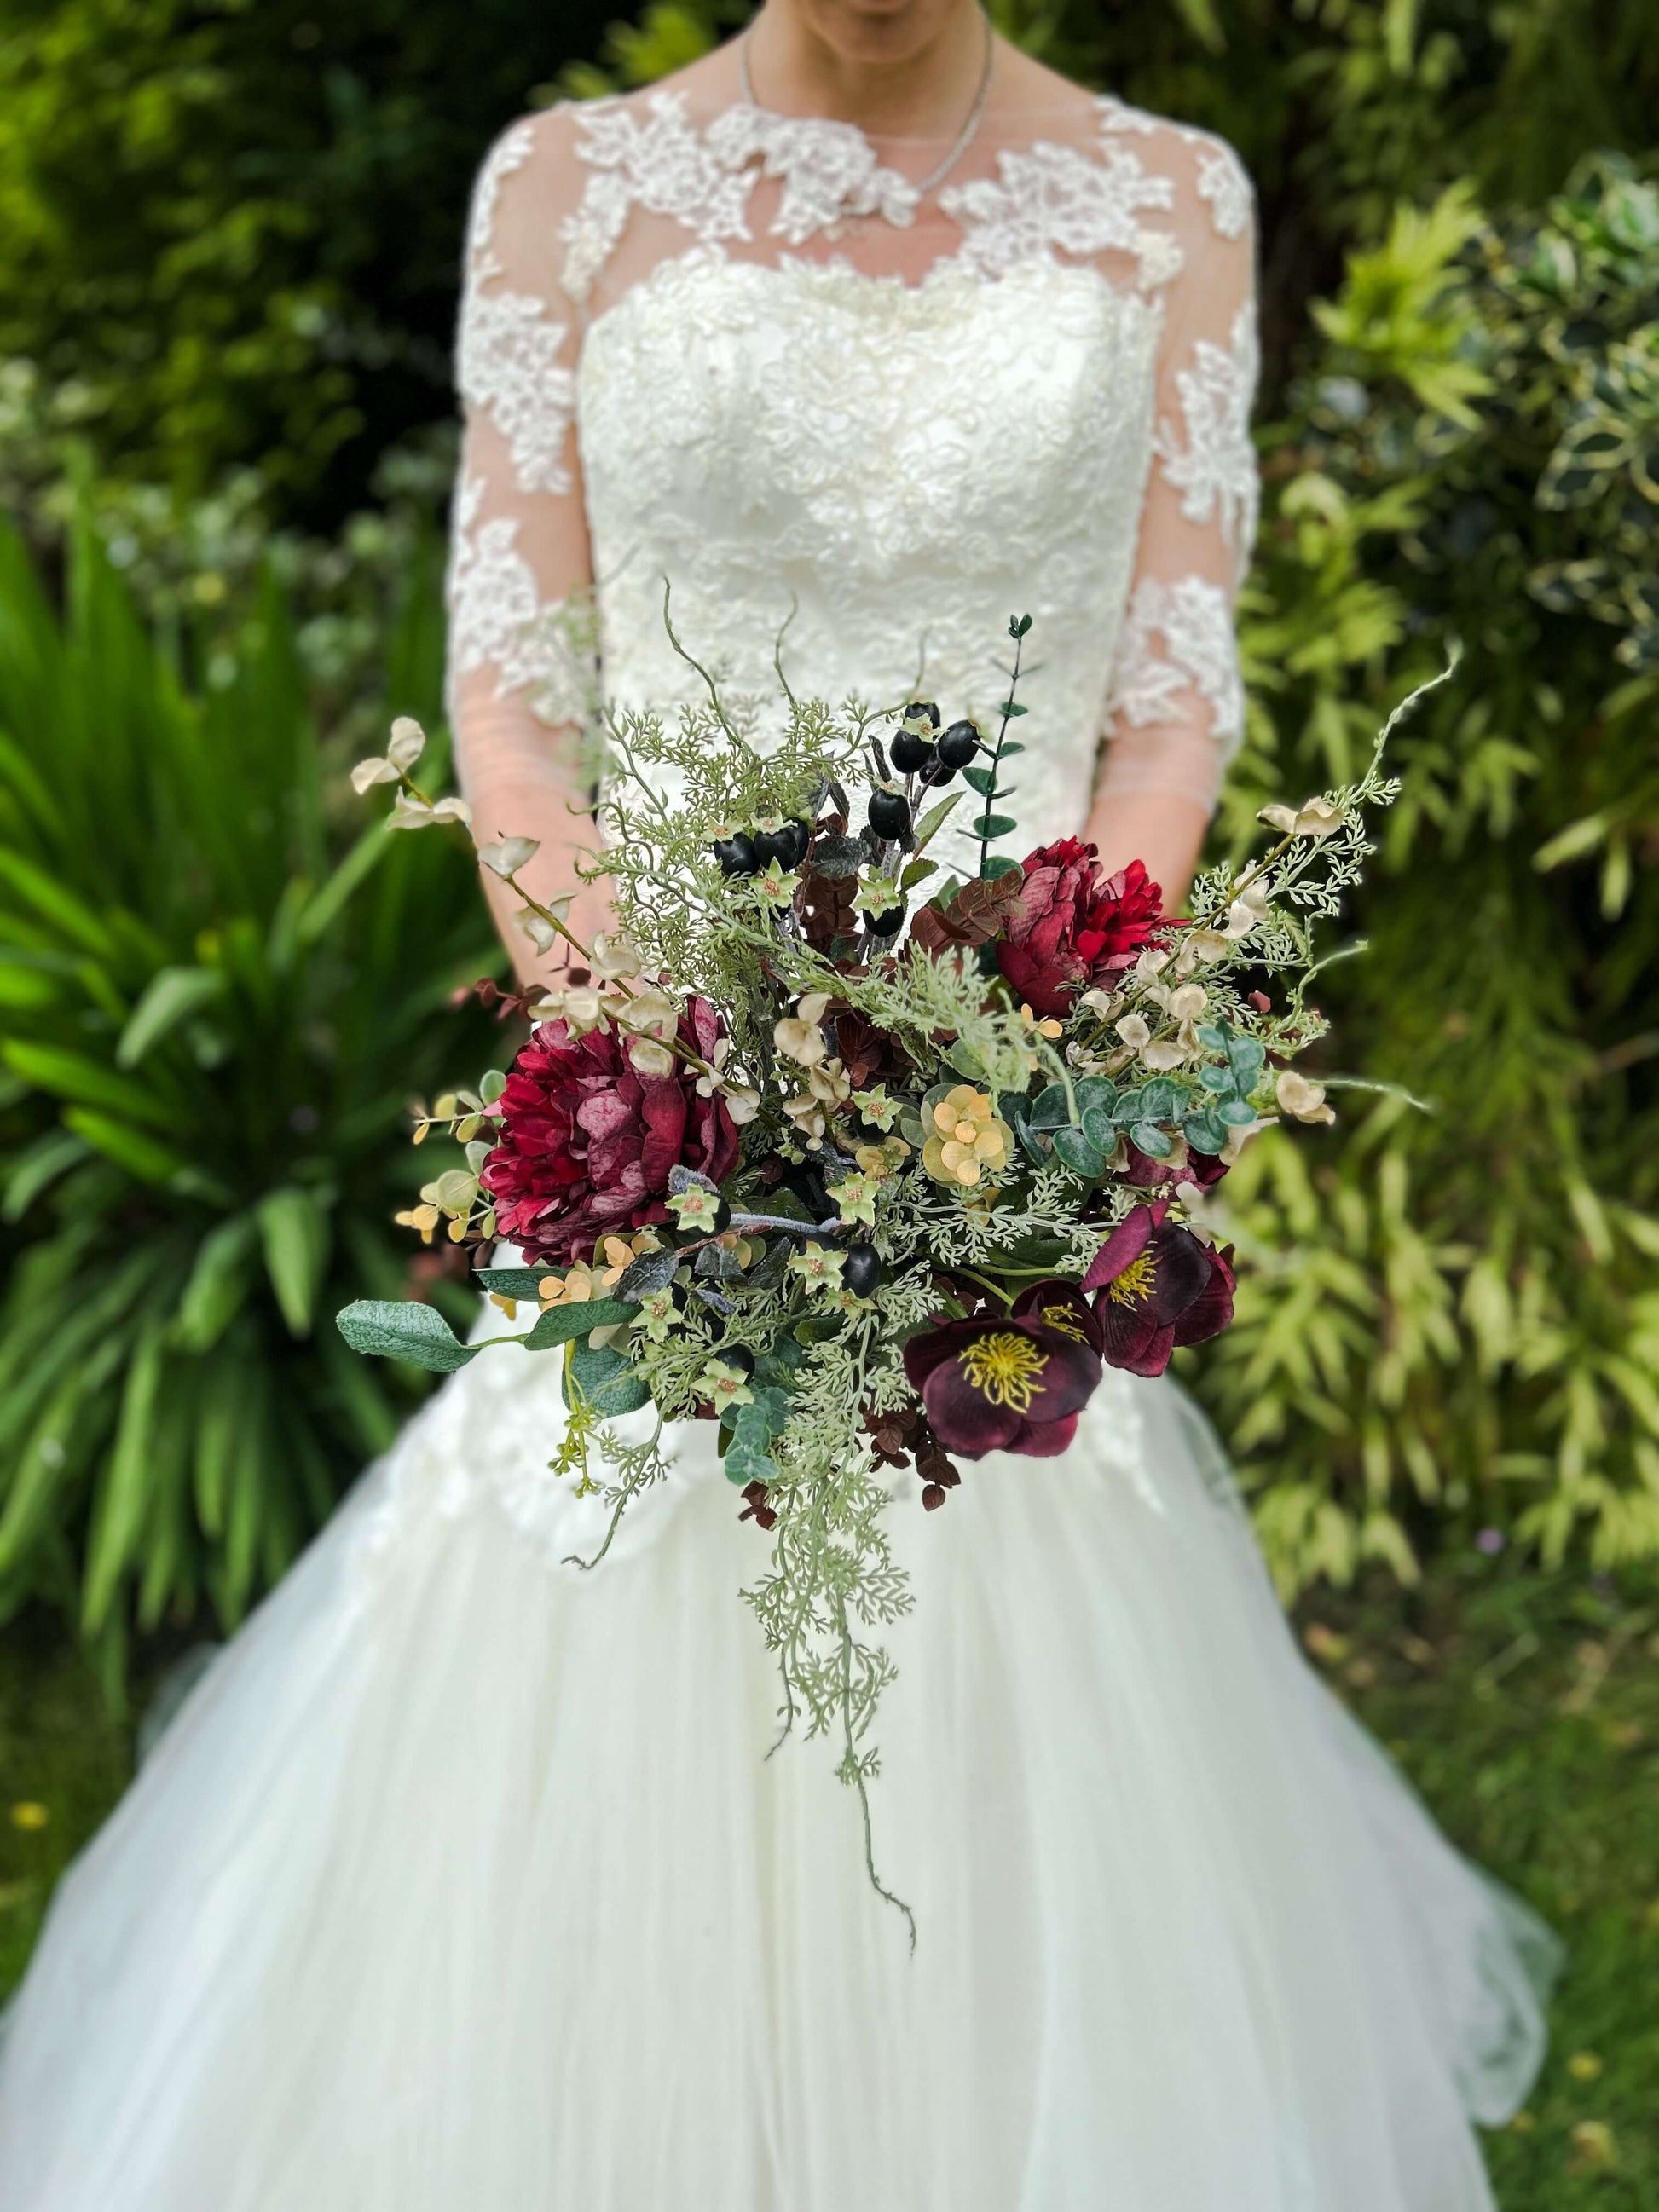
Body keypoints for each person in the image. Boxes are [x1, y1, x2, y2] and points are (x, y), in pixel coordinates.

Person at [0, 4, 1558, 2206]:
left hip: (996, 1119)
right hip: (672, 1107)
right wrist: (652, 1047)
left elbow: (1163, 700)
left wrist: (1028, 1058)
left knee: (1014, 1647)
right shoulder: (565, 184)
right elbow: (515, 695)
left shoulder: (1168, 197)